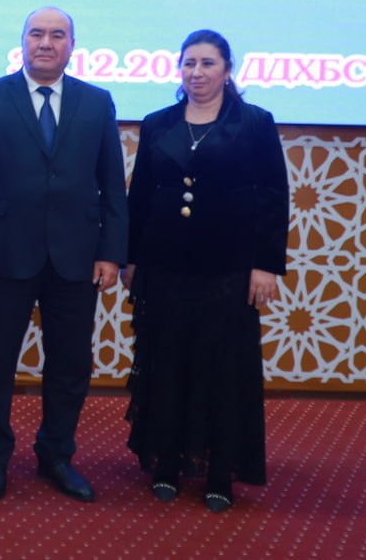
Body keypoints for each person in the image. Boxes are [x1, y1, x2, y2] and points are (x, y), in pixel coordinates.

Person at [0, 6, 128, 503]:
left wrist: (111, 253)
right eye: (37, 34)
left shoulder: (97, 102)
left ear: (72, 45)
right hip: (5, 254)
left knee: (70, 364)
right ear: (23, 42)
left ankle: (57, 455)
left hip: (77, 256)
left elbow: (112, 184)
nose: (46, 43)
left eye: (57, 35)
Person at [122, 29, 289, 513]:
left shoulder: (255, 123)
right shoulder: (158, 123)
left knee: (222, 368)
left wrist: (265, 265)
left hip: (228, 269)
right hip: (164, 266)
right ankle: (166, 464)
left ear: (228, 70)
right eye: (189, 63)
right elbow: (140, 195)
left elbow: (273, 197)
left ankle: (220, 472)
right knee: (167, 362)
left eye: (208, 63)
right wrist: (131, 258)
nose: (196, 73)